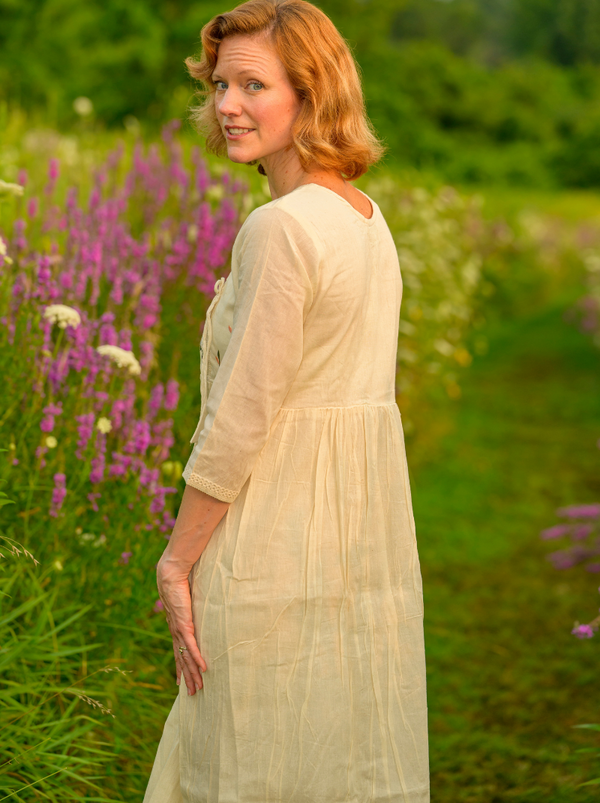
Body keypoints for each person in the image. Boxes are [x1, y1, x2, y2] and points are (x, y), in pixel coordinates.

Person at [143, 0, 429, 800]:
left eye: (253, 84)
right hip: (355, 536)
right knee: (337, 749)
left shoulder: (280, 228)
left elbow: (242, 419)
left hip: (269, 532)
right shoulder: (366, 220)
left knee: (241, 759)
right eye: (220, 84)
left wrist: (177, 560)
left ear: (311, 91)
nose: (226, 105)